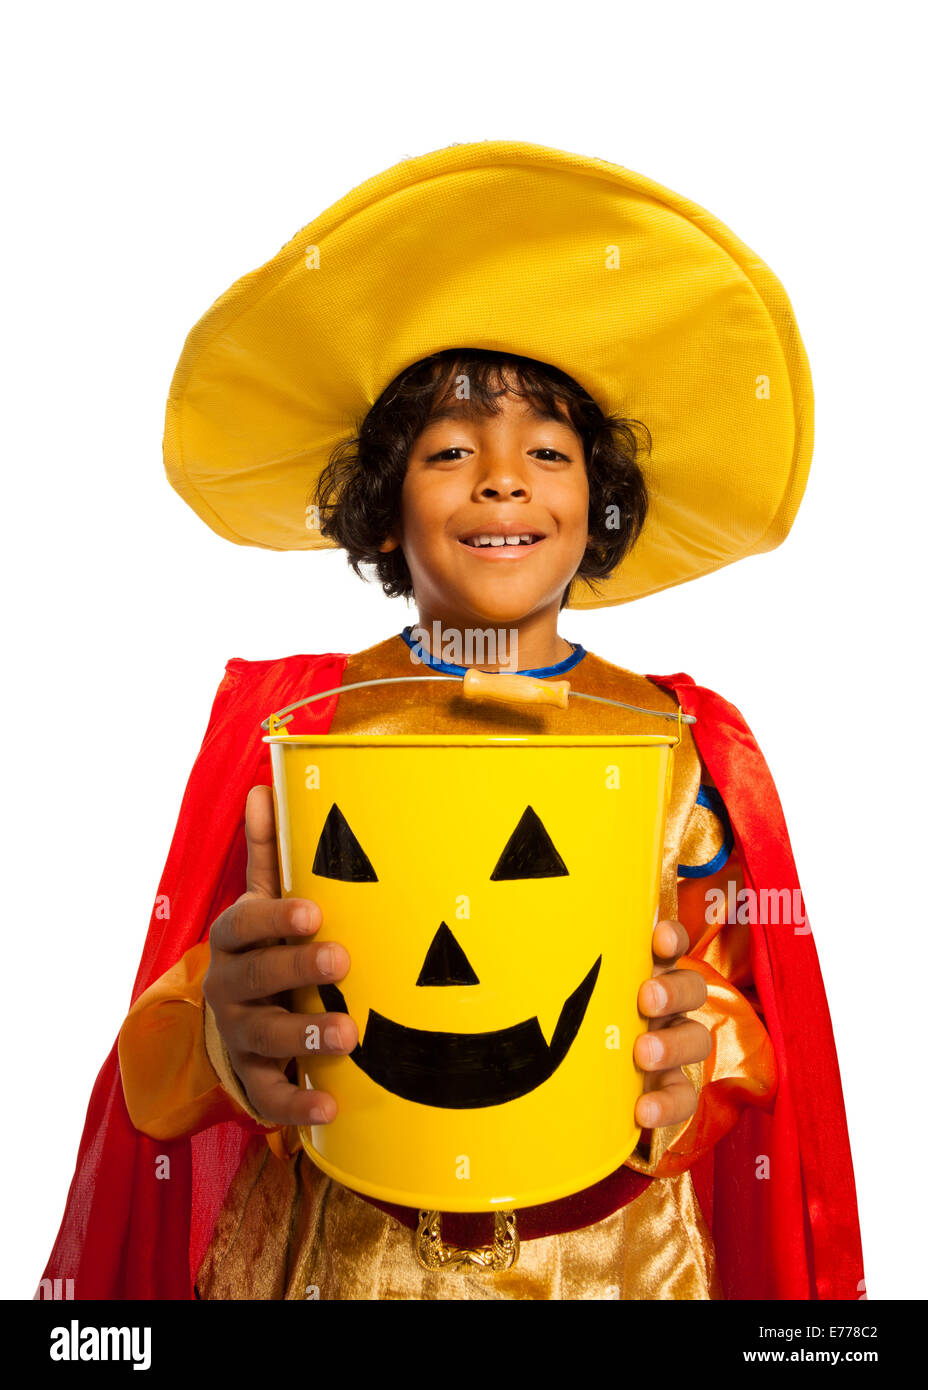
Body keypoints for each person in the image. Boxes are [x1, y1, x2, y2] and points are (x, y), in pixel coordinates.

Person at [38, 142, 865, 1301]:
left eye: (546, 451)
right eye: (447, 452)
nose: (501, 479)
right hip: (335, 1266)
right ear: (383, 515)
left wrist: (697, 1059)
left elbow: (735, 1022)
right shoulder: (298, 729)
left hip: (617, 1275)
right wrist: (219, 1031)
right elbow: (173, 1039)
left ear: (595, 507)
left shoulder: (678, 744)